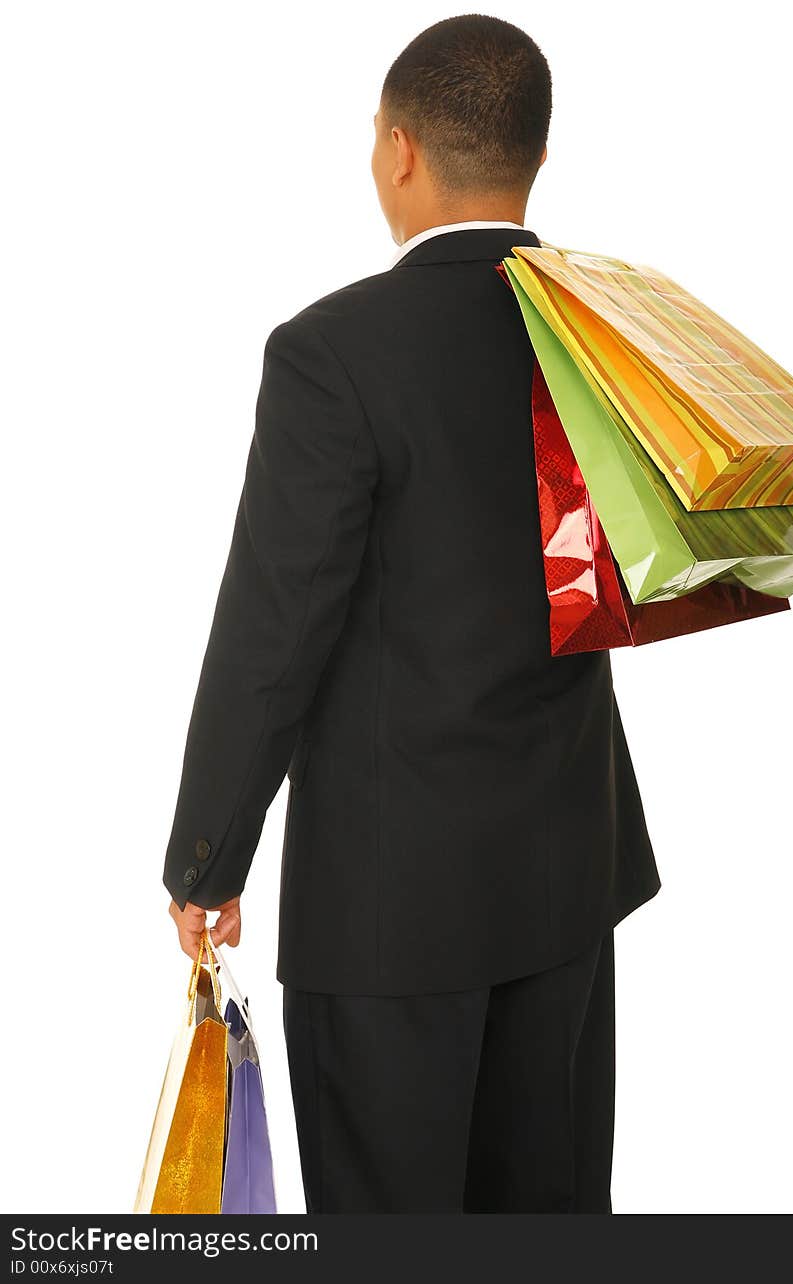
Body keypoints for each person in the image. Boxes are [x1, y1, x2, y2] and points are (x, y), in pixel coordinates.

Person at [163, 14, 660, 1214]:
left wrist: (206, 858)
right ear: (532, 154)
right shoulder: (610, 337)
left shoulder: (333, 355)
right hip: (566, 876)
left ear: (398, 150)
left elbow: (275, 632)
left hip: (392, 912)